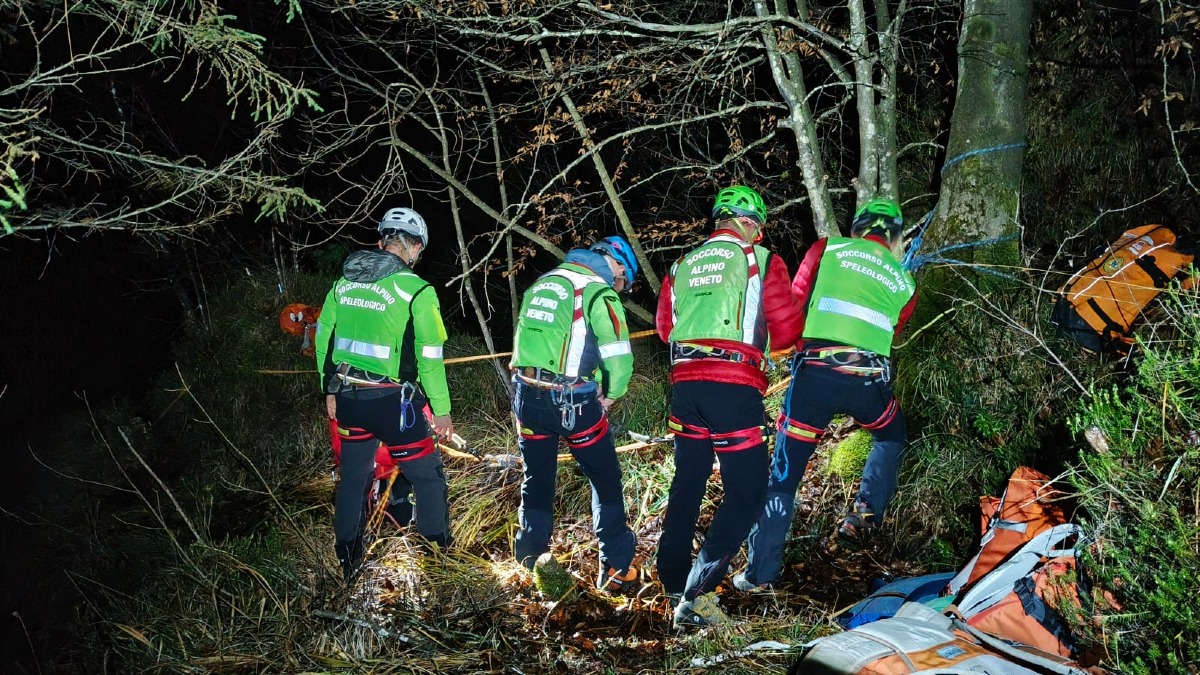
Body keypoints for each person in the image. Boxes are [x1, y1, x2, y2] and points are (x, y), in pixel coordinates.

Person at [736, 197, 917, 592]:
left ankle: (761, 574)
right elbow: (894, 330)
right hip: (868, 382)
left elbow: (795, 303)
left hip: (815, 378)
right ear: (895, 238)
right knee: (891, 435)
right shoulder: (906, 282)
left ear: (857, 228)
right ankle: (863, 517)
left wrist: (784, 346)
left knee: (784, 476)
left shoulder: (828, 249)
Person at [655, 186, 804, 628]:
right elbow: (787, 329)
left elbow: (664, 329)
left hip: (685, 387)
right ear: (749, 223)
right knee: (748, 491)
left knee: (689, 480)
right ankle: (697, 597)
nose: (759, 235)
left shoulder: (681, 265)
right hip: (732, 386)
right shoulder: (761, 259)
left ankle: (671, 578)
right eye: (759, 228)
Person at [314, 207, 455, 582]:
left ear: (382, 242)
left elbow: (324, 337)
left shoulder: (343, 285)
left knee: (353, 481)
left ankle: (348, 564)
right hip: (394, 405)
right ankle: (438, 561)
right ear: (414, 246)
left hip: (348, 399)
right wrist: (442, 411)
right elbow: (430, 358)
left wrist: (328, 388)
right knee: (428, 478)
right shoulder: (418, 291)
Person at [509, 235, 640, 592]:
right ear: (617, 263)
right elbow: (618, 358)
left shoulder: (544, 283)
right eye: (622, 280)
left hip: (527, 397)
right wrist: (611, 394)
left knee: (537, 478)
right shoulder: (597, 292)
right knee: (605, 478)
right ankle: (616, 567)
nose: (619, 286)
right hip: (573, 404)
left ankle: (530, 563)